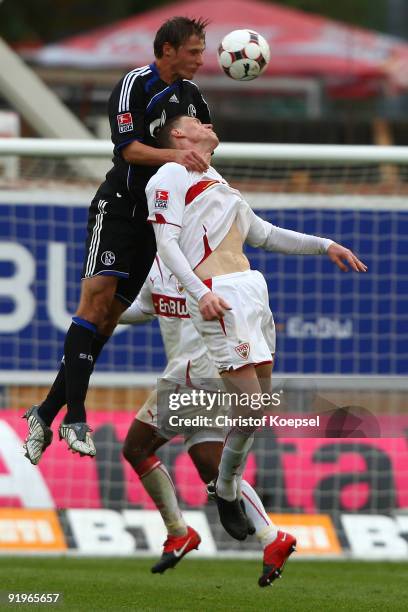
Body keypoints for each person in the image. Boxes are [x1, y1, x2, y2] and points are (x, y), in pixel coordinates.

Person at [145, 114, 367, 543]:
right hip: (217, 293)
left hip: (251, 290)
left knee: (257, 409)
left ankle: (227, 485)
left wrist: (325, 245)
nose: (205, 122)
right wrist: (198, 292)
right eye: (194, 120)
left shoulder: (215, 178)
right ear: (177, 134)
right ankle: (226, 489)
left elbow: (263, 233)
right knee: (249, 406)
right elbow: (165, 244)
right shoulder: (170, 173)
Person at [23, 17, 212, 463]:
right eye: (193, 51)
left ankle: (44, 411)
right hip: (120, 209)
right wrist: (177, 153)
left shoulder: (193, 96)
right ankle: (76, 417)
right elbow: (128, 149)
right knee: (94, 303)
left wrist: (206, 145)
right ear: (167, 50)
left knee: (106, 320)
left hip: (155, 218)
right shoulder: (134, 85)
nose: (201, 60)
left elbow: (206, 143)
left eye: (203, 52)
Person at [119, 255, 295, 587]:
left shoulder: (203, 264)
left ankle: (179, 532)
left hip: (192, 378)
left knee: (136, 448)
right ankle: (272, 537)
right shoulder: (156, 265)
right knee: (212, 469)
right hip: (210, 379)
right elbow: (139, 309)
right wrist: (101, 307)